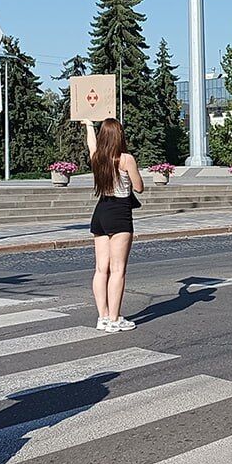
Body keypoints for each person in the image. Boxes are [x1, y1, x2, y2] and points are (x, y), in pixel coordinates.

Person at [83, 118, 143, 334]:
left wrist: (89, 125)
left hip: (100, 211)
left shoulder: (98, 158)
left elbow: (92, 145)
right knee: (118, 270)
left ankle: (103, 317)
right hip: (119, 213)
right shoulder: (126, 159)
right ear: (120, 136)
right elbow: (139, 187)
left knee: (101, 269)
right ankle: (115, 319)